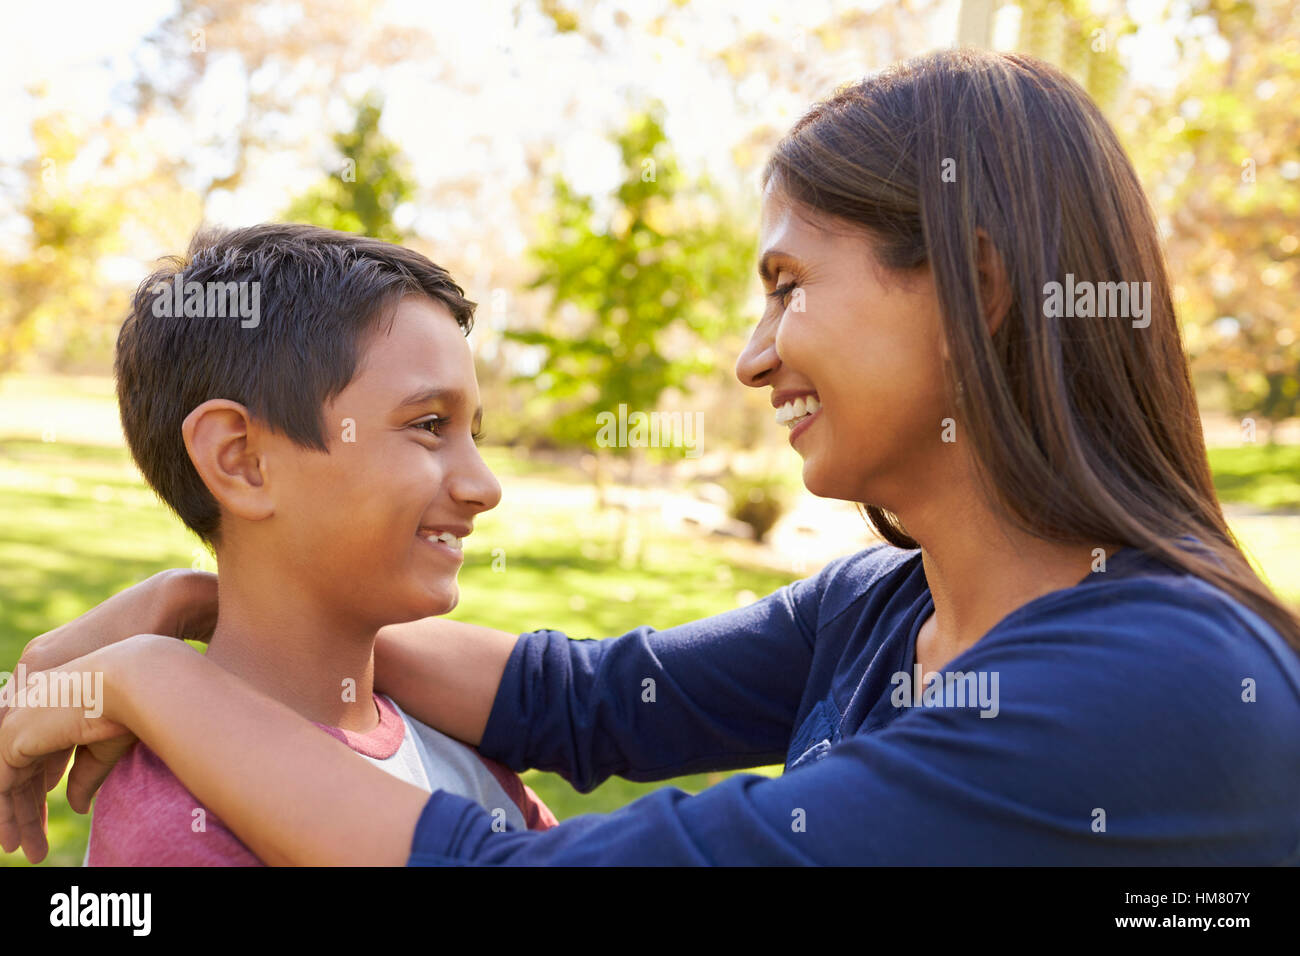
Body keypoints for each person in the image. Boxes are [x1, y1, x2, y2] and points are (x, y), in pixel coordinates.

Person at [3, 47, 1299, 866]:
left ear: (976, 291)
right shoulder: (885, 609)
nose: (751, 355)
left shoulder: (1150, 683)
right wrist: (204, 605)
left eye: (787, 285)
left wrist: (150, 686)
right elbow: (583, 698)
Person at [67, 222, 559, 865]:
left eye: (475, 434)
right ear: (242, 460)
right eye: (430, 425)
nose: (485, 486)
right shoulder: (176, 831)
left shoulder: (464, 741)